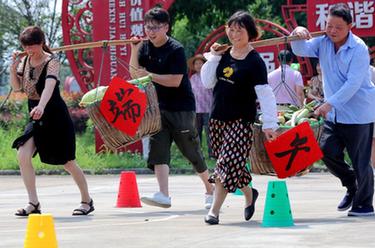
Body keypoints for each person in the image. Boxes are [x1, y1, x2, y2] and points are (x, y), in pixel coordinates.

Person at [291, 3, 375, 216]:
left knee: (361, 161)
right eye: (329, 25)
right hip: (334, 114)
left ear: (350, 26)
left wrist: (329, 103)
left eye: (338, 27)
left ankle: (364, 204)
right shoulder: (323, 42)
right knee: (324, 150)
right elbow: (301, 48)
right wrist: (298, 33)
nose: (333, 31)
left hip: (358, 114)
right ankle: (351, 184)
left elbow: (353, 83)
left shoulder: (359, 48)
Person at [129, 7, 214, 209]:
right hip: (157, 108)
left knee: (191, 150)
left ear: (166, 27)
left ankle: (210, 189)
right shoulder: (145, 48)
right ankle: (164, 194)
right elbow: (135, 74)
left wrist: (149, 75)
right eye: (148, 27)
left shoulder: (176, 49)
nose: (151, 31)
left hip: (181, 108)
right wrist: (134, 49)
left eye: (156, 27)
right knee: (158, 150)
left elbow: (175, 80)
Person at [201, 10, 278, 225]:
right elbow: (207, 82)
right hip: (217, 120)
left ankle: (214, 212)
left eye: (239, 30)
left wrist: (270, 124)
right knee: (231, 166)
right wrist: (214, 57)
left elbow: (265, 93)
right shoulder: (222, 54)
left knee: (225, 165)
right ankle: (249, 193)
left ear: (250, 33)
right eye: (231, 30)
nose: (234, 34)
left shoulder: (255, 62)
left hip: (241, 122)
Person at [10, 26, 94, 216]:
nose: (30, 49)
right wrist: (13, 68)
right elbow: (16, 88)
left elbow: (49, 86)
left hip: (55, 115)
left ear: (41, 43)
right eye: (26, 46)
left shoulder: (52, 62)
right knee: (23, 154)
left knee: (68, 162)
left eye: (33, 45)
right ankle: (33, 203)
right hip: (35, 115)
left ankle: (87, 201)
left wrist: (41, 106)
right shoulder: (24, 61)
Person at [187, 54, 213, 158]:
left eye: (200, 63)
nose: (198, 65)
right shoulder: (192, 78)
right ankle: (197, 154)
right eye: (196, 63)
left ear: (204, 64)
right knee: (196, 133)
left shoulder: (209, 77)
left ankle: (212, 154)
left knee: (209, 133)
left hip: (208, 109)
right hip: (196, 110)